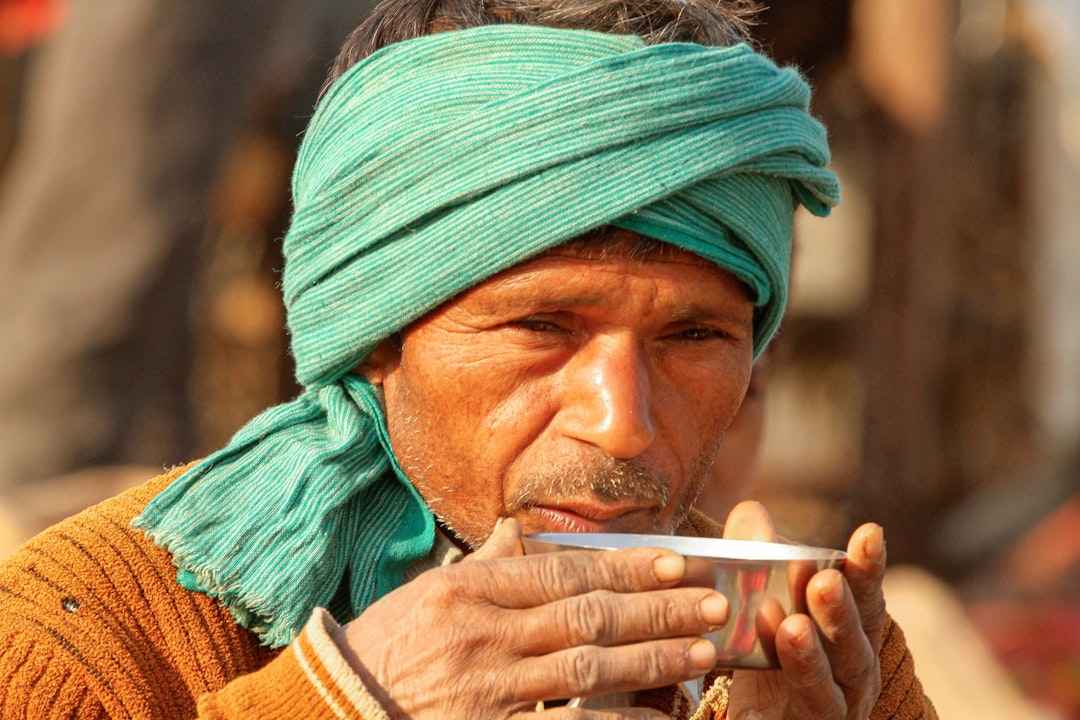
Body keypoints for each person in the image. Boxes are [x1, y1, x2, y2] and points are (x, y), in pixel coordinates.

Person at [0, 0, 936, 717]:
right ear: (374, 333)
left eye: (694, 337)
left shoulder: (804, 654)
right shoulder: (88, 639)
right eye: (542, 329)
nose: (622, 421)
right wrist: (347, 698)